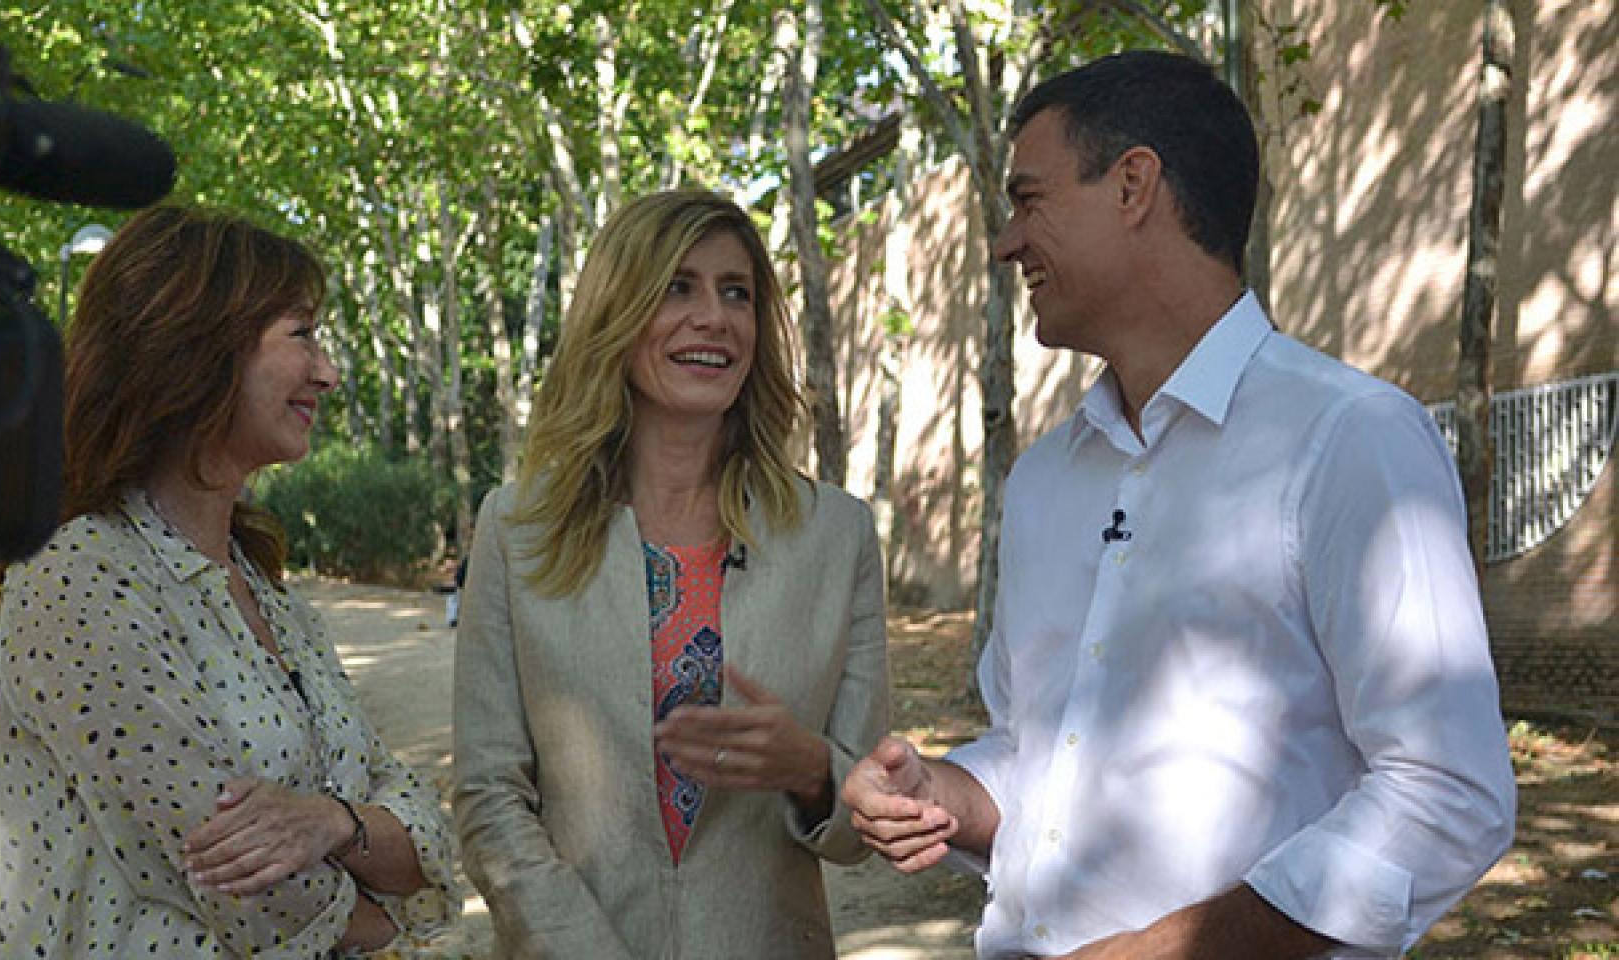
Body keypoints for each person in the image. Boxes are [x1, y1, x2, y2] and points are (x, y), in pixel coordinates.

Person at [842, 50, 1516, 959]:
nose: (1005, 242)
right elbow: (1039, 757)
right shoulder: (1044, 479)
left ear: (1133, 186)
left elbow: (1447, 794)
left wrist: (1160, 951)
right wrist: (943, 795)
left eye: (1028, 199)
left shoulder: (1350, 438)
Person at [0, 206, 458, 957]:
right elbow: (246, 885)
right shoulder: (82, 574)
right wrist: (394, 920)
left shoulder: (269, 596)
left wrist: (333, 821)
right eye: (302, 334)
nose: (330, 372)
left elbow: (417, 819)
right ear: (197, 349)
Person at [453, 187, 889, 958]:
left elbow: (865, 827)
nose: (714, 317)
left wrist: (816, 771)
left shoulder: (838, 535)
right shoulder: (516, 528)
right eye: (676, 287)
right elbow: (489, 799)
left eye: (737, 293)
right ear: (617, 313)